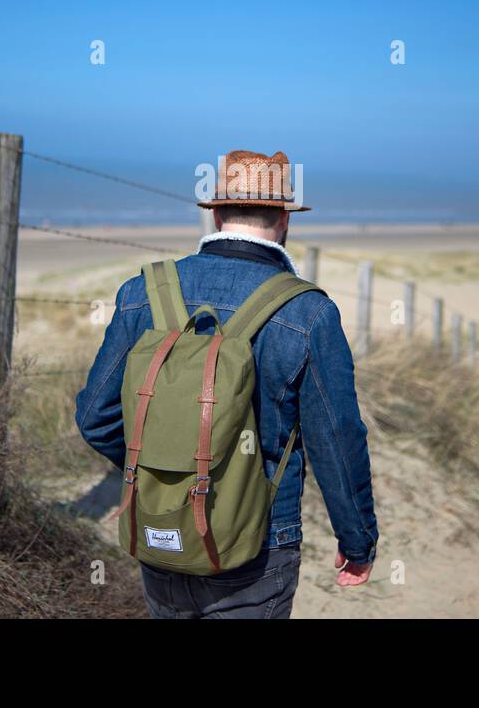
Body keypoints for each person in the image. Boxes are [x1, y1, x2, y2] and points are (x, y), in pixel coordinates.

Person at [74, 149, 379, 618]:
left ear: (215, 213)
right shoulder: (308, 312)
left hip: (162, 528)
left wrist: (158, 470)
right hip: (257, 541)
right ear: (284, 219)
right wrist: (357, 541)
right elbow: (336, 442)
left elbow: (95, 418)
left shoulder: (143, 292)